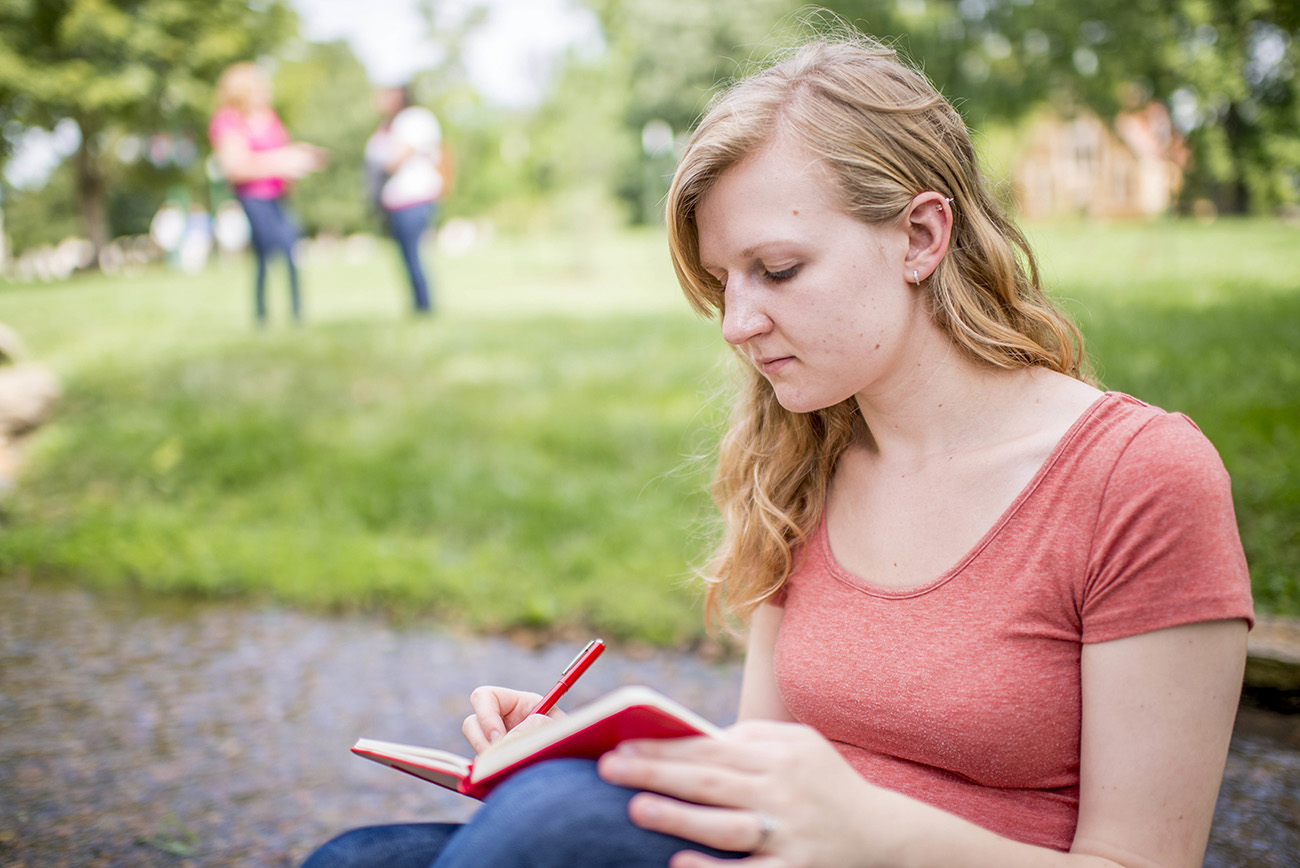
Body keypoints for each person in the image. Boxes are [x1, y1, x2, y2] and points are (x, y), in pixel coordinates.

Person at [298, 31, 1254, 868]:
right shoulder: (811, 460)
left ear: (921, 235)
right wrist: (590, 753)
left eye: (779, 270)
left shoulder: (1139, 476)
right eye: (724, 282)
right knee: (363, 856)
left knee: (553, 831)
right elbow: (769, 772)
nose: (737, 323)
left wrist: (876, 834)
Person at [209, 62, 326, 326]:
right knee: (271, 253)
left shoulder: (269, 117)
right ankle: (265, 315)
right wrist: (282, 161)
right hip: (253, 197)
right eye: (258, 86)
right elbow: (235, 166)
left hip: (278, 196)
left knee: (285, 251)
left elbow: (282, 151)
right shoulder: (229, 120)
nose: (265, 90)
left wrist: (302, 158)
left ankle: (292, 313)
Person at [364, 85, 450, 315]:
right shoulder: (386, 127)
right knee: (405, 257)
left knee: (414, 255)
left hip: (414, 200)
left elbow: (394, 159)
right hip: (395, 203)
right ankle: (417, 305)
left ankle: (424, 307)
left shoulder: (414, 119)